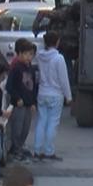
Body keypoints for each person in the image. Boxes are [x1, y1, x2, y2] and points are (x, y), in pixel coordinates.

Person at [33, 31, 70, 161]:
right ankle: (49, 151)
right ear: (57, 42)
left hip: (42, 92)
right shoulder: (58, 58)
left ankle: (37, 150)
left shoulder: (39, 56)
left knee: (42, 121)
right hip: (55, 93)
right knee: (52, 123)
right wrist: (68, 96)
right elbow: (63, 79)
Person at [7, 40, 38, 161]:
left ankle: (20, 147)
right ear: (19, 54)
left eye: (30, 54)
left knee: (25, 127)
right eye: (26, 54)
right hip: (18, 104)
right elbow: (10, 86)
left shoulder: (30, 68)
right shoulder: (16, 68)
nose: (28, 57)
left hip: (28, 103)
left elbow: (33, 87)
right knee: (17, 128)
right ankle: (15, 149)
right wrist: (17, 98)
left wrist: (33, 102)